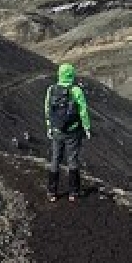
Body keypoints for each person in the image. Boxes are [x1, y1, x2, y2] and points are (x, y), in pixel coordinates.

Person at [44, 62, 91, 202]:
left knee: (55, 160)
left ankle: (52, 192)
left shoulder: (51, 89)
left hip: (57, 130)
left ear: (59, 74)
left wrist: (49, 127)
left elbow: (47, 110)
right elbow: (83, 111)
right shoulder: (76, 90)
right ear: (72, 74)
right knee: (72, 160)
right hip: (73, 131)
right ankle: (73, 193)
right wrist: (87, 128)